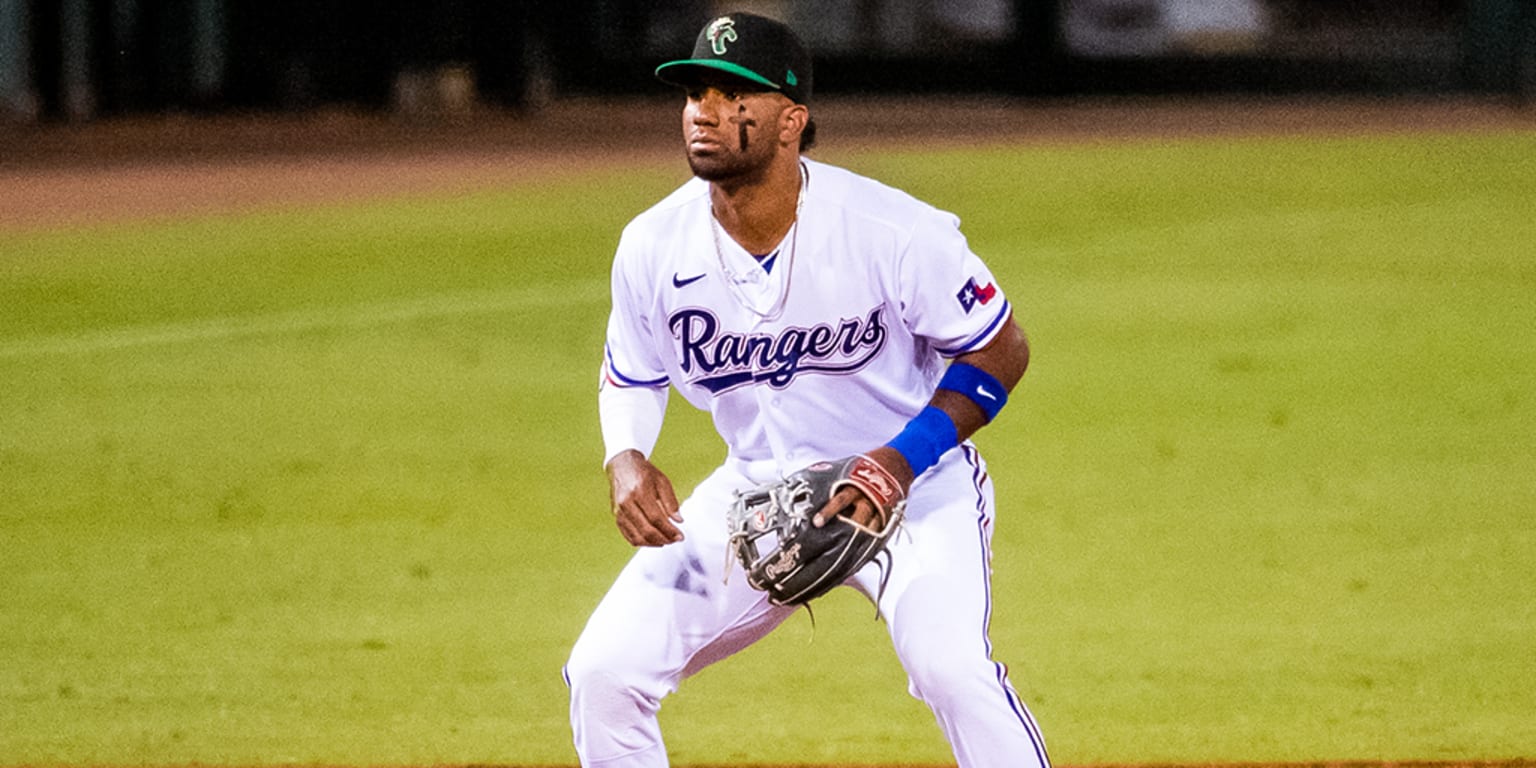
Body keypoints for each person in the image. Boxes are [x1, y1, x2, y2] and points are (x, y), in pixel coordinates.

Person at [564, 11, 1050, 768]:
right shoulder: (652, 245)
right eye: (696, 92)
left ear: (792, 120)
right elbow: (632, 370)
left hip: (914, 493)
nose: (707, 111)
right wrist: (625, 455)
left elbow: (1000, 348)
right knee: (604, 672)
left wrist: (901, 459)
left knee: (949, 669)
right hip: (751, 494)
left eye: (736, 96)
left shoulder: (890, 230)